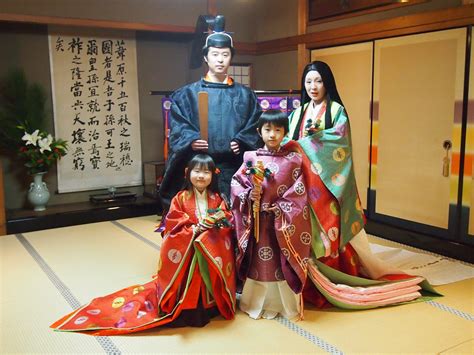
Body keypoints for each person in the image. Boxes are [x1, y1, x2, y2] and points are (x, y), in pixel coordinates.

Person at [286, 61, 435, 309]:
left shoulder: (336, 111)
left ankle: (336, 272)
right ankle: (307, 278)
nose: (313, 86)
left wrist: (305, 146)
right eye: (309, 81)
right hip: (302, 182)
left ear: (327, 83)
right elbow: (289, 143)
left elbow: (338, 145)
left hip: (327, 184)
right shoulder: (297, 113)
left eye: (319, 81)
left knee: (331, 230)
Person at [51, 154, 236, 335]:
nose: (201, 176)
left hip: (208, 251)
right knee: (188, 282)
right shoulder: (179, 199)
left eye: (206, 172)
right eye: (197, 171)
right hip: (188, 253)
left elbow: (226, 219)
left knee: (207, 282)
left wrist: (214, 224)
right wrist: (193, 230)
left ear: (213, 175)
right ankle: (188, 309)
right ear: (188, 173)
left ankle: (210, 306)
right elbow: (173, 223)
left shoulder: (218, 199)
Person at [159, 15, 261, 212]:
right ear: (206, 57)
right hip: (201, 170)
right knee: (201, 223)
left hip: (235, 168)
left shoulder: (245, 95)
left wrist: (242, 140)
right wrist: (191, 139)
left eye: (225, 54)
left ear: (231, 57)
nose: (220, 60)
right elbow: (179, 126)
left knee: (236, 222)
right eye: (215, 54)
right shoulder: (187, 94)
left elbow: (255, 124)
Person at [230, 110, 311, 320]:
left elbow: (300, 193)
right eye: (267, 129)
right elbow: (236, 184)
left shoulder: (294, 160)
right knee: (258, 263)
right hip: (256, 219)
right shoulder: (250, 158)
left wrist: (282, 208)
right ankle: (255, 302)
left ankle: (284, 305)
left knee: (280, 263)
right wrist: (248, 194)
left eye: (278, 130)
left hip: (281, 223)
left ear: (285, 132)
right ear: (259, 131)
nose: (272, 134)